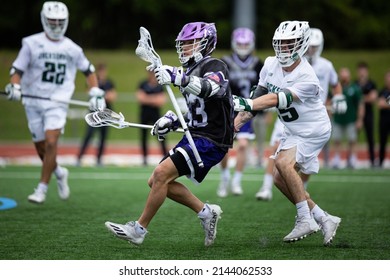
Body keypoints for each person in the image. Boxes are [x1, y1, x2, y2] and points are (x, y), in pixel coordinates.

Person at [105, 22, 234, 246]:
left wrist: (178, 77)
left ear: (205, 44)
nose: (184, 48)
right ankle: (206, 212)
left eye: (190, 43)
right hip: (196, 134)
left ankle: (139, 230)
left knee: (162, 173)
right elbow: (194, 110)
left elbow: (211, 89)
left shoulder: (215, 65)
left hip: (211, 139)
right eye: (182, 44)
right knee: (155, 180)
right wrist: (172, 120)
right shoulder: (190, 71)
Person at [233, 20, 341, 246]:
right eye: (280, 44)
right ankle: (324, 218)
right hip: (293, 129)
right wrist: (237, 121)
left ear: (301, 44)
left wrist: (243, 103)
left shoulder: (307, 77)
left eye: (290, 43)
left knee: (282, 163)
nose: (284, 49)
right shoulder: (270, 64)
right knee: (279, 179)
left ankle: (305, 219)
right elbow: (259, 96)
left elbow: (276, 99)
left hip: (313, 130)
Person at [5, 1, 105, 204]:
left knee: (51, 142)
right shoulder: (31, 43)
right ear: (44, 20)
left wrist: (94, 91)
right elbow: (17, 70)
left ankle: (41, 188)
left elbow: (89, 70)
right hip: (33, 101)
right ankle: (59, 172)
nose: (57, 26)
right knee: (42, 149)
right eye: (53, 21)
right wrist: (14, 87)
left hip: (58, 102)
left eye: (60, 22)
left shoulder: (72, 48)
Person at [217, 27, 263, 197]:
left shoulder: (258, 63)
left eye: (246, 43)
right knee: (222, 147)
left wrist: (264, 109)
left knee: (243, 144)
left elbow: (264, 87)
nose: (243, 46)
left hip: (247, 109)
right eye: (240, 43)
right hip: (226, 108)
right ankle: (224, 177)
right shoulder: (224, 62)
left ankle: (236, 180)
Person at [300, 28, 346, 187]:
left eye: (314, 46)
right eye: (309, 46)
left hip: (318, 114)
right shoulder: (298, 63)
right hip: (299, 113)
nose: (311, 50)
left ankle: (301, 188)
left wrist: (339, 97)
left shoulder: (326, 65)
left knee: (310, 157)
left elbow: (335, 84)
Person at [77, 63, 117, 166]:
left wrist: (102, 94)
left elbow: (112, 96)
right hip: (94, 113)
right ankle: (79, 157)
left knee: (103, 137)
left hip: (106, 113)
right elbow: (89, 92)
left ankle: (99, 159)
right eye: (101, 71)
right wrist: (104, 94)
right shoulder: (94, 83)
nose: (102, 73)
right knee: (89, 135)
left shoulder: (109, 82)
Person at [331, 67, 364, 169]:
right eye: (342, 75)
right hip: (338, 119)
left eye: (346, 75)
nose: (344, 78)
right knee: (337, 140)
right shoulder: (336, 88)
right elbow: (330, 102)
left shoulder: (354, 88)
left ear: (349, 76)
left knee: (352, 140)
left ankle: (352, 158)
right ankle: (337, 158)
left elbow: (360, 105)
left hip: (350, 119)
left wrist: (359, 119)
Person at [136, 70, 168, 166]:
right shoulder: (143, 84)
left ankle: (165, 157)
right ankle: (144, 159)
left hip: (156, 114)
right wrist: (154, 99)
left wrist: (148, 98)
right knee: (144, 137)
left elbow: (161, 101)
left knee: (161, 135)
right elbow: (140, 98)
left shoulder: (160, 86)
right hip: (144, 113)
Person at [355, 61, 378, 167]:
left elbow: (373, 98)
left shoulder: (371, 84)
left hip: (369, 114)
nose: (362, 73)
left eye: (364, 71)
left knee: (370, 138)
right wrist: (365, 98)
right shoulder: (355, 84)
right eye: (360, 71)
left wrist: (361, 98)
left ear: (367, 72)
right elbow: (354, 100)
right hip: (356, 114)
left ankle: (373, 160)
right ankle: (353, 159)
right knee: (354, 138)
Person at [377, 70, 390, 168]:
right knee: (382, 141)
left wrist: (386, 103)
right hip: (384, 120)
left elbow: (383, 103)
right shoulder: (383, 91)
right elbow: (380, 104)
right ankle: (381, 162)